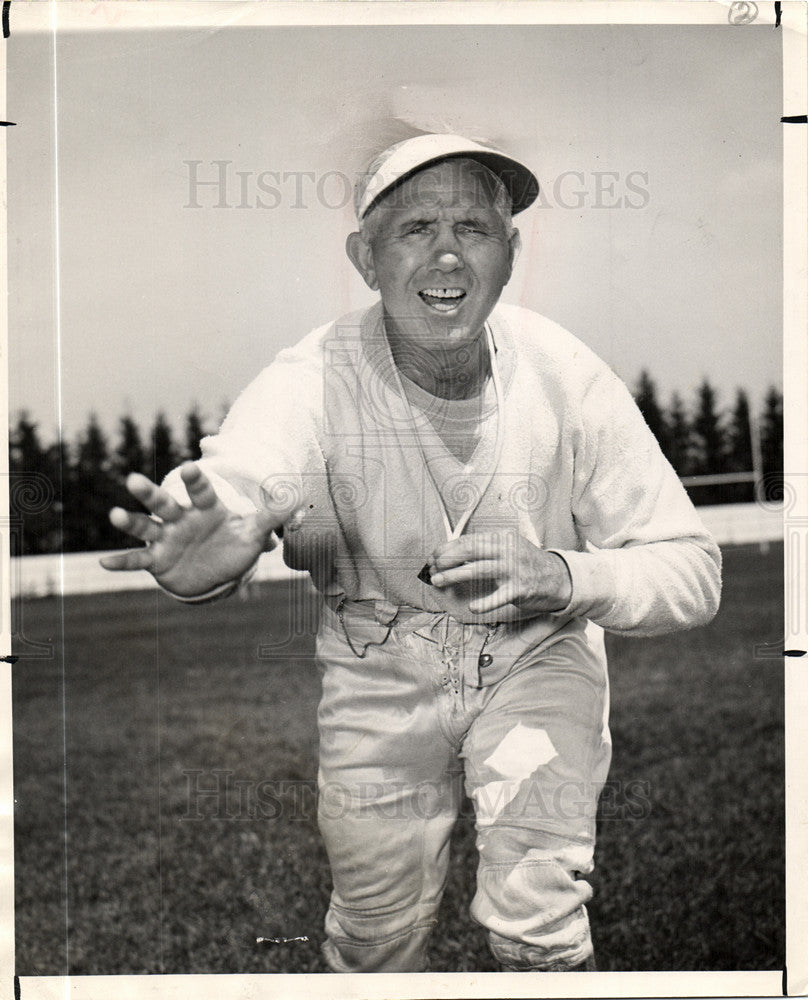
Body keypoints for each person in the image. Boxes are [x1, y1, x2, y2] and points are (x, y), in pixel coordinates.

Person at [102, 132, 722, 973]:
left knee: (538, 919)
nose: (446, 254)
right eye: (415, 228)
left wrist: (567, 576)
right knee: (373, 932)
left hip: (534, 656)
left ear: (511, 251)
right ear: (365, 257)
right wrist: (214, 549)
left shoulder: (566, 375)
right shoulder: (311, 375)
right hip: (378, 666)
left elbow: (691, 566)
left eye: (473, 227)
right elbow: (243, 478)